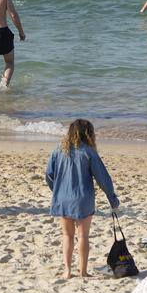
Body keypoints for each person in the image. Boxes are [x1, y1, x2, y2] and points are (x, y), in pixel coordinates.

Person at [45, 119, 119, 279]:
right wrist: (112, 199)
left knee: (67, 236)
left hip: (63, 198)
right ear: (89, 134)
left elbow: (49, 175)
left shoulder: (58, 150)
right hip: (83, 199)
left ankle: (67, 271)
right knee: (83, 236)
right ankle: (83, 272)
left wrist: (56, 190)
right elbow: (103, 178)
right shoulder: (89, 152)